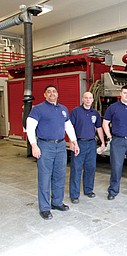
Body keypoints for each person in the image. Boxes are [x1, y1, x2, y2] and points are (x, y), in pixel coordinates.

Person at [26, 85, 80, 220]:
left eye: (54, 91)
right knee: (45, 177)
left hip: (61, 146)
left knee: (59, 175)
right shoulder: (38, 109)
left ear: (57, 94)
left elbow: (68, 126)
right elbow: (30, 128)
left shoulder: (63, 109)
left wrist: (74, 141)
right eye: (49, 92)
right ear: (45, 94)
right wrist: (34, 145)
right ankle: (44, 208)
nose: (52, 94)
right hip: (45, 146)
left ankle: (57, 202)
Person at [69, 92, 106, 204]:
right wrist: (72, 142)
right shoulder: (76, 111)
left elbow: (99, 128)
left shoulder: (95, 113)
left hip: (91, 144)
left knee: (91, 168)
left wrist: (103, 143)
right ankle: (74, 195)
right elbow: (70, 128)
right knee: (76, 169)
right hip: (79, 143)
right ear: (82, 99)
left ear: (93, 100)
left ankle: (88, 190)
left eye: (90, 98)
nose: (88, 100)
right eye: (86, 98)